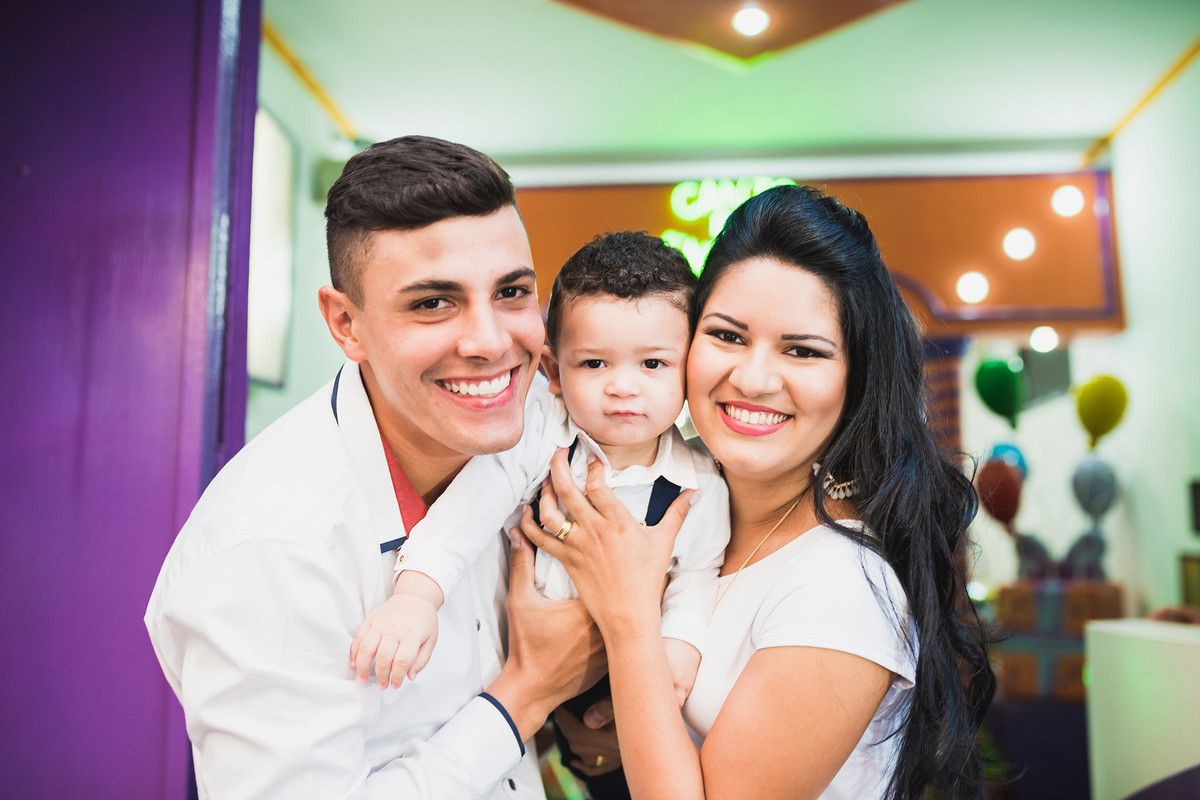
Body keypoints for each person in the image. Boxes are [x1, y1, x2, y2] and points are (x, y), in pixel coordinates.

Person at [144, 135, 605, 799]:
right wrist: (527, 695)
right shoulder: (272, 551)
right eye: (433, 302)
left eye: (511, 291)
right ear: (346, 324)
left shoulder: (540, 419)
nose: (491, 342)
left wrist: (589, 724)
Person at [522, 184, 996, 799]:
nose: (752, 379)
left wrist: (628, 617)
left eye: (802, 350)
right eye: (727, 336)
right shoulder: (673, 496)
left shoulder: (841, 584)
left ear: (856, 378)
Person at [350, 231, 730, 798]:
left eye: (653, 363)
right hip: (518, 652)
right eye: (594, 363)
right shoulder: (539, 435)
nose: (622, 387)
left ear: (689, 368)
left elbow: (697, 576)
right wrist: (416, 596)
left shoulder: (699, 482)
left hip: (628, 670)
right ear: (553, 369)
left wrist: (674, 654)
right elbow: (471, 508)